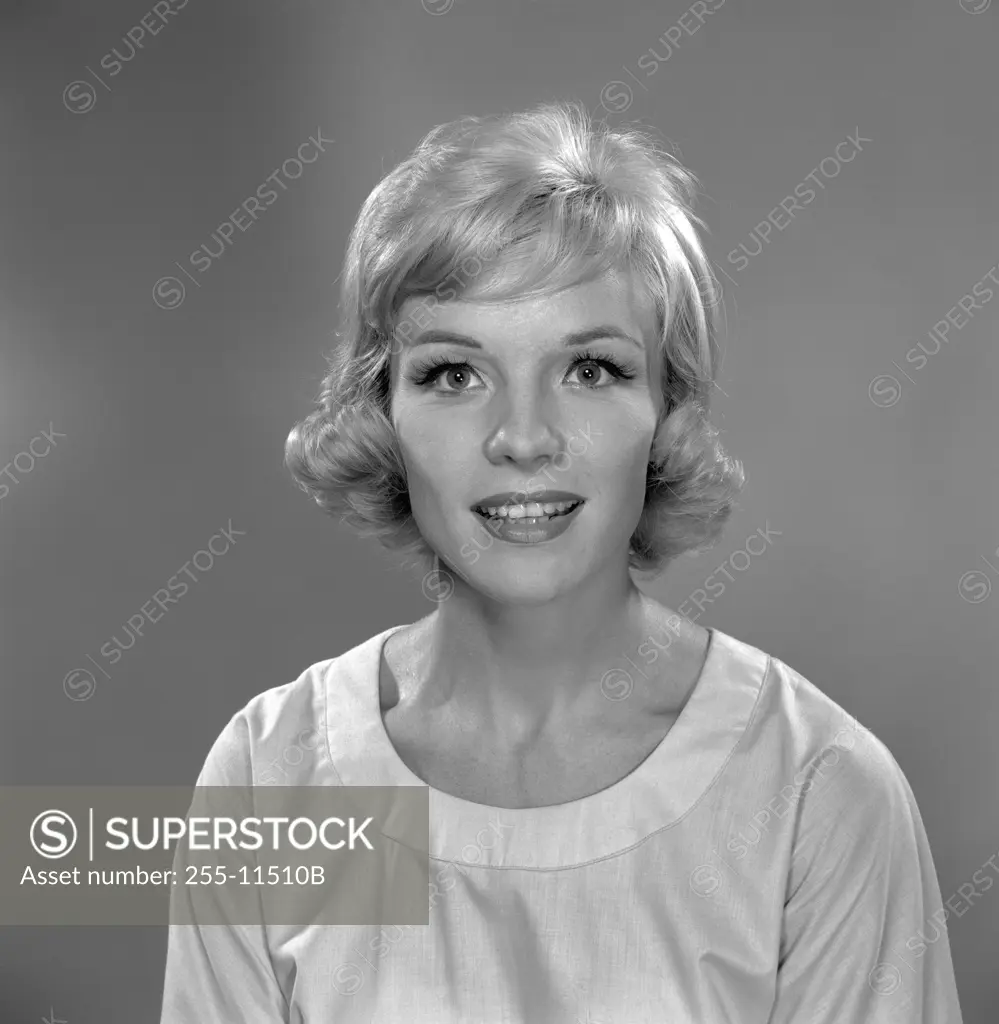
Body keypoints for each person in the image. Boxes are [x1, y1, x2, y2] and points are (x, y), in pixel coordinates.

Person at [160, 100, 964, 1022]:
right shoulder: (270, 775)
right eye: (453, 375)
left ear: (670, 410)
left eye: (590, 370)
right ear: (381, 413)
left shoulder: (819, 790)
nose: (523, 438)